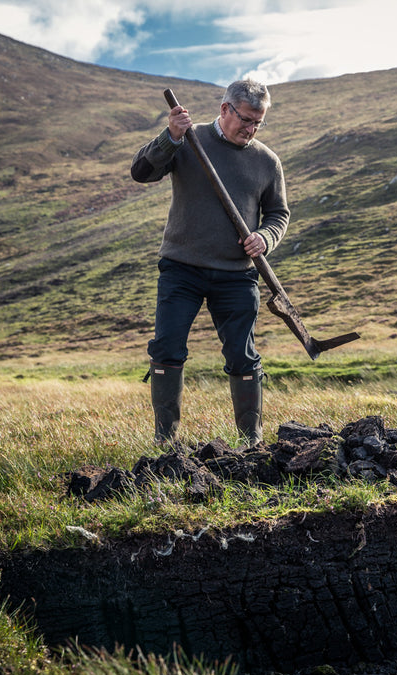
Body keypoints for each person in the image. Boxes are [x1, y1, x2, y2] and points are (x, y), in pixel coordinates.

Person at [130, 79, 289, 446]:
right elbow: (141, 173)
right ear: (225, 110)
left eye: (257, 123)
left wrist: (264, 237)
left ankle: (251, 443)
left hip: (237, 276)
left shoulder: (266, 161)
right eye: (246, 120)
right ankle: (164, 445)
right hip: (181, 268)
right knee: (167, 348)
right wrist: (169, 137)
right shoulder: (188, 139)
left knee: (243, 356)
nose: (250, 129)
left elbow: (278, 214)